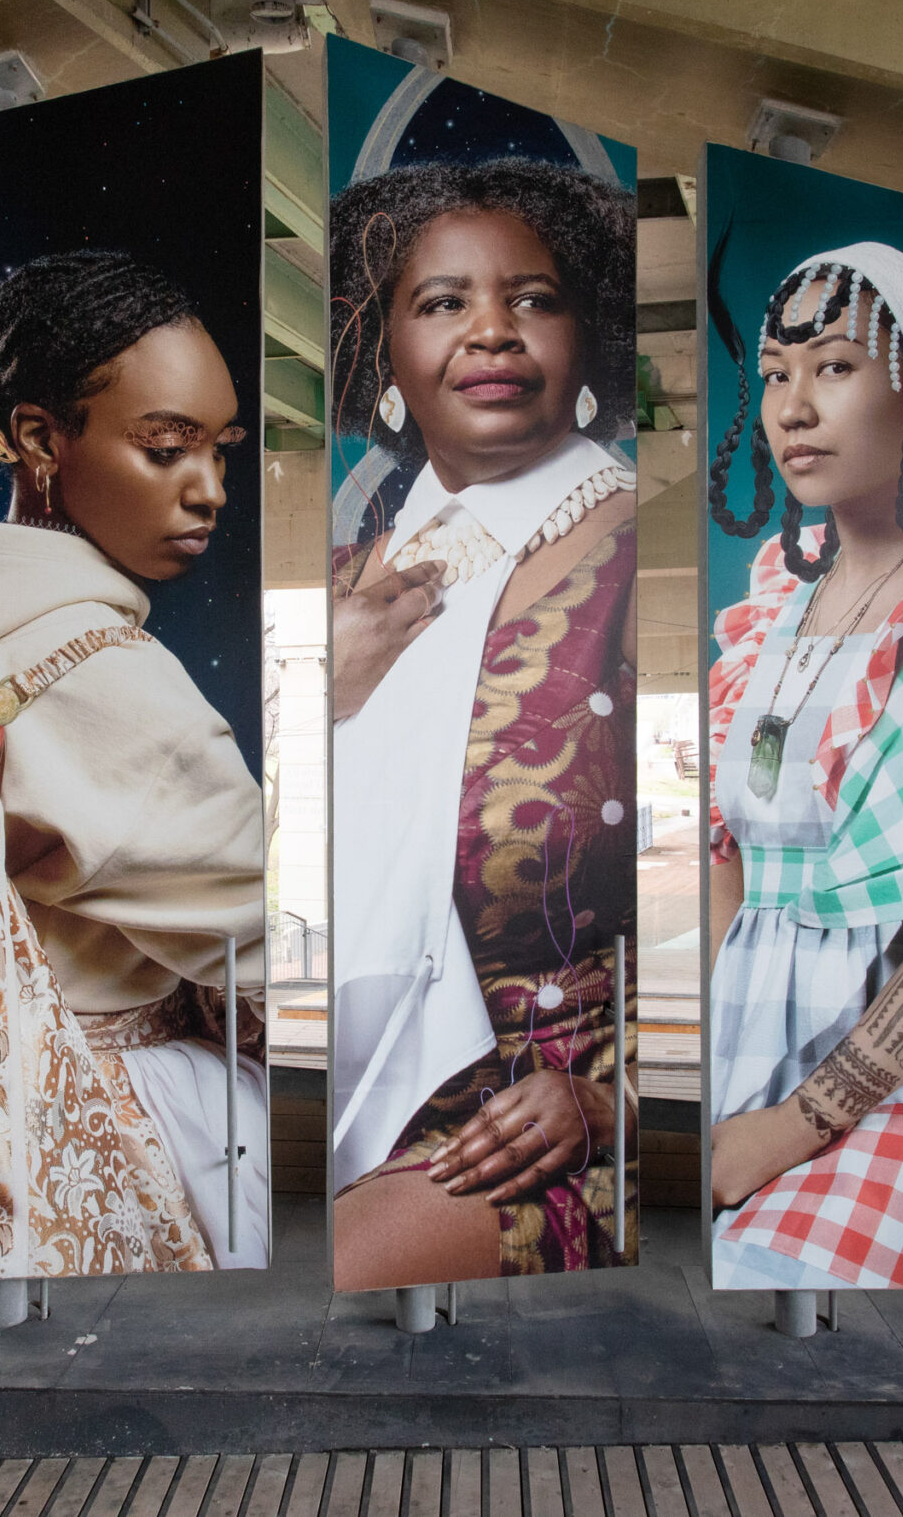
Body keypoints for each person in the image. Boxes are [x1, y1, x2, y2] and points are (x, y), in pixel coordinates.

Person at [0, 250, 267, 1278]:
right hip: (124, 1115)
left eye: (222, 451)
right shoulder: (92, 666)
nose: (209, 492)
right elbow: (248, 914)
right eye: (165, 450)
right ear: (38, 437)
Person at [323, 159, 640, 1290]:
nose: (492, 331)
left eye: (534, 298)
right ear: (391, 359)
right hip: (376, 1071)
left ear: (583, 339)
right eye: (444, 302)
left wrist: (614, 1097)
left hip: (557, 1098)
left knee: (356, 1263)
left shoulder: (627, 555)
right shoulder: (354, 581)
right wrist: (327, 691)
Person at [703, 224, 903, 1289]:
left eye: (834, 368)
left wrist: (791, 1126)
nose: (792, 408)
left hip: (897, 1064)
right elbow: (726, 860)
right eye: (776, 374)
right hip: (750, 1052)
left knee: (803, 1271)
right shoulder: (774, 602)